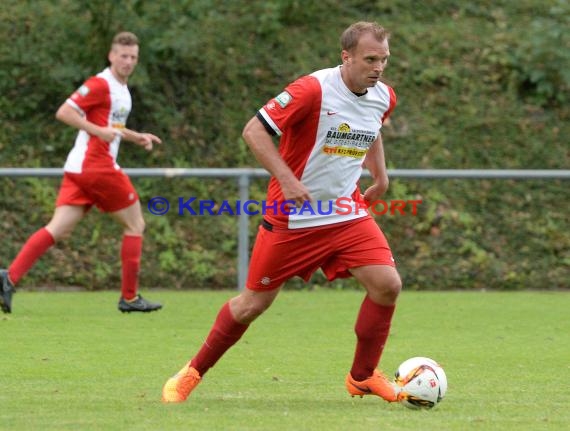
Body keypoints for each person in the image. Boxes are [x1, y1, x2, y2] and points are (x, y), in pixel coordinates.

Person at [162, 21, 405, 403]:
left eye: (384, 60)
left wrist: (381, 174)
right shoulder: (312, 89)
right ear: (346, 57)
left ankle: (362, 376)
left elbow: (372, 127)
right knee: (252, 305)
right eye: (370, 59)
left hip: (345, 211)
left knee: (387, 285)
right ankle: (192, 371)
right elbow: (253, 132)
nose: (378, 67)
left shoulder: (383, 95)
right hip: (293, 218)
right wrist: (288, 180)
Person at [0, 32, 163, 314]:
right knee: (135, 224)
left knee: (58, 229)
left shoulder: (120, 90)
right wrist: (98, 131)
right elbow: (65, 112)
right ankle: (130, 298)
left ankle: (8, 278)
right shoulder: (100, 84)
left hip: (78, 168)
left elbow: (112, 126)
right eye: (123, 56)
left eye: (133, 57)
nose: (128, 61)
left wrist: (135, 137)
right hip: (96, 167)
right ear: (111, 56)